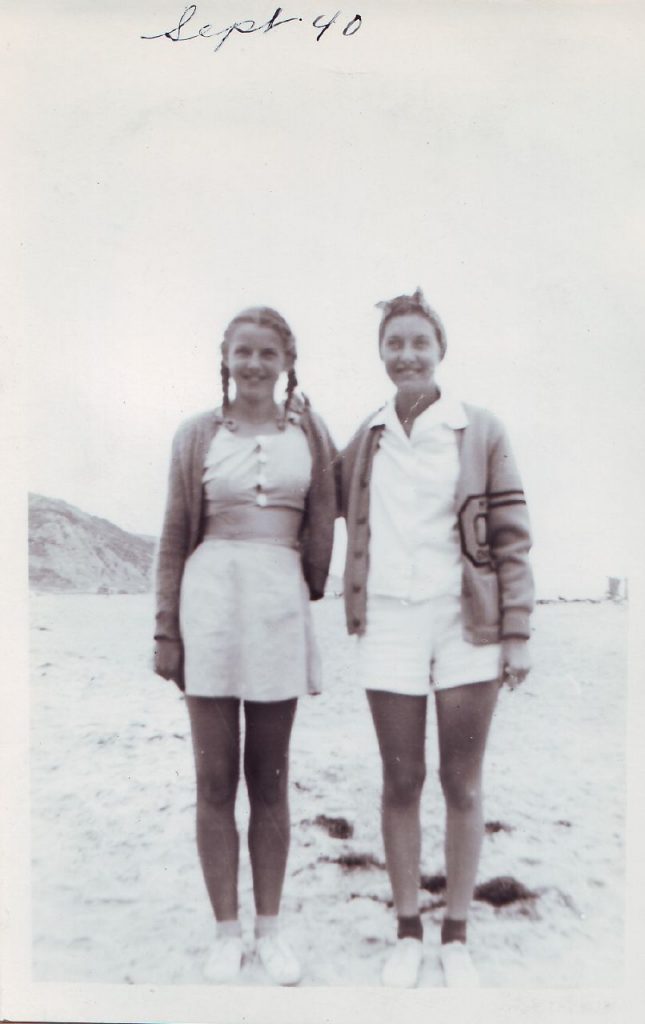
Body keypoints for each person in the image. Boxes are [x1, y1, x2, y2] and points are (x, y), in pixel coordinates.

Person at [338, 288, 533, 988]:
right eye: (394, 343)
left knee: (460, 780)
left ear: (439, 348)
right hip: (387, 619)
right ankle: (405, 929)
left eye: (419, 341)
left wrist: (516, 633)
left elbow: (511, 538)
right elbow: (321, 495)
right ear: (380, 353)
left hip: (465, 623)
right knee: (399, 779)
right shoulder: (365, 438)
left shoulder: (479, 429)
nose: (406, 354)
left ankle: (454, 933)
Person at [153, 306, 336, 985]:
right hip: (208, 605)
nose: (254, 364)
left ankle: (270, 931)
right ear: (225, 358)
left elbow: (346, 497)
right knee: (212, 781)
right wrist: (165, 630)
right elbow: (173, 536)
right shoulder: (195, 434)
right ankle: (225, 932)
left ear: (286, 361)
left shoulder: (309, 434)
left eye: (267, 353)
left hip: (278, 602)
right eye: (242, 352)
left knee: (271, 779)